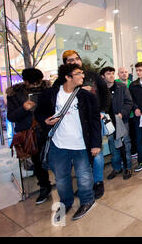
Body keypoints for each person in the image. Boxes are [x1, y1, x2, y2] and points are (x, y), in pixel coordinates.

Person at [35, 64, 101, 221]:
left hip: (81, 144)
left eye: (82, 73)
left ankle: (87, 201)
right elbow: (39, 113)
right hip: (58, 144)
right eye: (78, 73)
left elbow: (94, 121)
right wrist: (45, 121)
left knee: (84, 176)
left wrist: (96, 143)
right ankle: (65, 203)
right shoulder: (50, 94)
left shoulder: (87, 96)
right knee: (61, 178)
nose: (82, 76)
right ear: (67, 77)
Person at [61, 50, 111, 200]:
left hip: (94, 120)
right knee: (82, 155)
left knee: (96, 152)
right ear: (65, 64)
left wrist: (102, 111)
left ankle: (98, 183)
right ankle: (86, 184)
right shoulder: (64, 80)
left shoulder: (92, 75)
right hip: (75, 124)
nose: (75, 61)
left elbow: (106, 94)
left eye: (77, 58)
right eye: (70, 60)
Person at [7, 68, 52, 205]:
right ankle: (45, 186)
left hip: (49, 129)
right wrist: (24, 108)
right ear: (25, 81)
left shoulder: (47, 89)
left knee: (56, 158)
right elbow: (11, 117)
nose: (35, 86)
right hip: (30, 134)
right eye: (32, 83)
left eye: (37, 83)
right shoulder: (14, 94)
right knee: (38, 162)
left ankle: (63, 184)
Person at [100, 67, 133, 180]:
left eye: (113, 73)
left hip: (121, 121)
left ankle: (127, 167)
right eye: (108, 74)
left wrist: (122, 113)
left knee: (125, 146)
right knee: (113, 147)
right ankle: (116, 168)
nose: (111, 76)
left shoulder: (121, 87)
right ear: (102, 76)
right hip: (108, 123)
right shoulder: (100, 90)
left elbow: (129, 102)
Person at [116, 67, 136, 159]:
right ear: (118, 74)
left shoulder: (132, 84)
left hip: (132, 114)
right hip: (121, 115)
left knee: (132, 134)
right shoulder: (115, 83)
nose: (124, 74)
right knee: (122, 137)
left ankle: (132, 152)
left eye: (126, 72)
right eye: (121, 72)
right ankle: (123, 156)